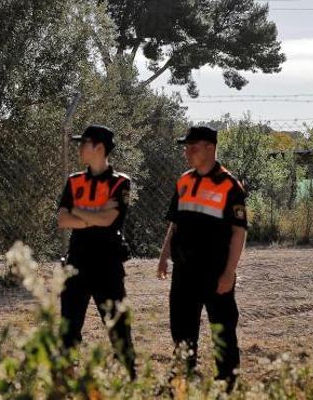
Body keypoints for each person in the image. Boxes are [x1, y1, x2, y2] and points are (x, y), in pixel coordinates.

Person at [157, 125, 247, 391]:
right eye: (186, 147)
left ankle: (227, 383)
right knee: (182, 328)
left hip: (215, 272)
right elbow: (175, 224)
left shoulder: (230, 186)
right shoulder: (184, 180)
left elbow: (238, 232)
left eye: (192, 147)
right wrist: (164, 256)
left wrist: (229, 273)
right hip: (184, 270)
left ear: (210, 148)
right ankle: (182, 378)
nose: (187, 152)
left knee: (222, 330)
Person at [57, 124, 136, 379]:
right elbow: (62, 219)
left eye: (84, 143)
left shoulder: (120, 183)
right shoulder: (74, 180)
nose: (80, 148)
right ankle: (67, 376)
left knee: (117, 324)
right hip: (77, 261)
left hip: (107, 264)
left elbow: (109, 220)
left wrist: (78, 211)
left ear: (99, 148)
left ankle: (128, 375)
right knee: (69, 325)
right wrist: (93, 216)